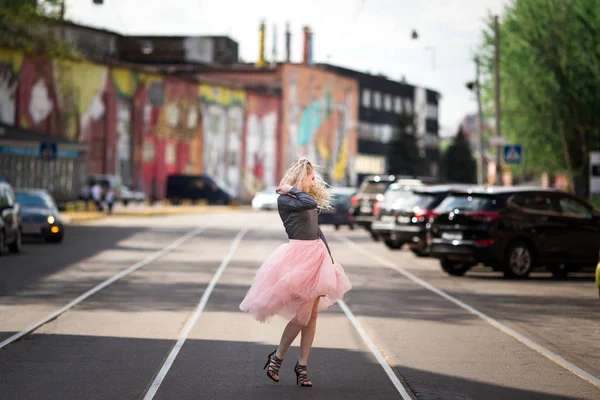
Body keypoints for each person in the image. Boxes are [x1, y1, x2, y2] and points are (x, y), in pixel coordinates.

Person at [239, 157, 352, 387]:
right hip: (300, 259)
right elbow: (308, 204)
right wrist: (291, 188)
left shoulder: (303, 197)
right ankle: (277, 357)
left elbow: (317, 230)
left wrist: (329, 261)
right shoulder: (286, 199)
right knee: (302, 317)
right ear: (301, 177)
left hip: (318, 256)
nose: (313, 182)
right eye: (310, 178)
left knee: (311, 316)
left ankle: (302, 366)